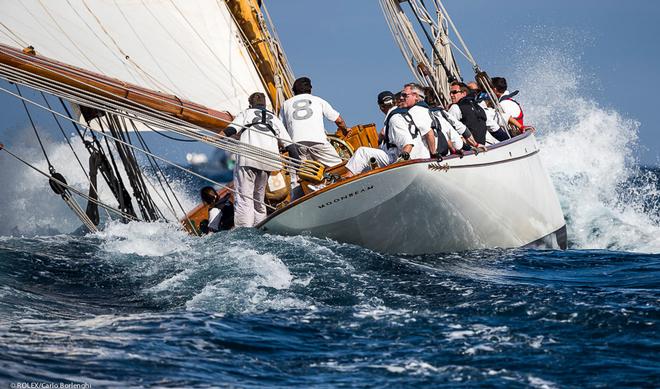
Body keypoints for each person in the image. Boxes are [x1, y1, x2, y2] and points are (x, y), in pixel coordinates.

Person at [222, 92, 296, 227]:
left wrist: (216, 136)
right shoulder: (274, 118)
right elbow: (289, 145)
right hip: (269, 162)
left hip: (247, 159)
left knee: (244, 197)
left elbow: (232, 129)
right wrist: (299, 163)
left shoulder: (246, 113)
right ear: (265, 104)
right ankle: (260, 226)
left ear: (250, 104)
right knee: (258, 198)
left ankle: (245, 231)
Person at [344, 89, 430, 177]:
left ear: (381, 107)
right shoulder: (404, 114)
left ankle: (346, 179)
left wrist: (402, 161)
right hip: (421, 156)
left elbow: (408, 144)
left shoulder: (394, 119)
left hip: (408, 161)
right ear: (395, 102)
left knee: (362, 152)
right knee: (366, 165)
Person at [280, 77, 349, 168]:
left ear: (294, 91)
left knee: (305, 172)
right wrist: (345, 130)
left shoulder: (286, 104)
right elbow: (339, 120)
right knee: (339, 167)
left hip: (296, 143)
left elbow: (281, 128)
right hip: (318, 141)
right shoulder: (318, 100)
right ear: (310, 89)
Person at [447, 82, 487, 147]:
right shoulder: (480, 108)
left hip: (466, 151)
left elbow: (447, 131)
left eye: (454, 92)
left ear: (464, 94)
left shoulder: (455, 108)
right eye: (450, 93)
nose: (451, 95)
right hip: (481, 148)